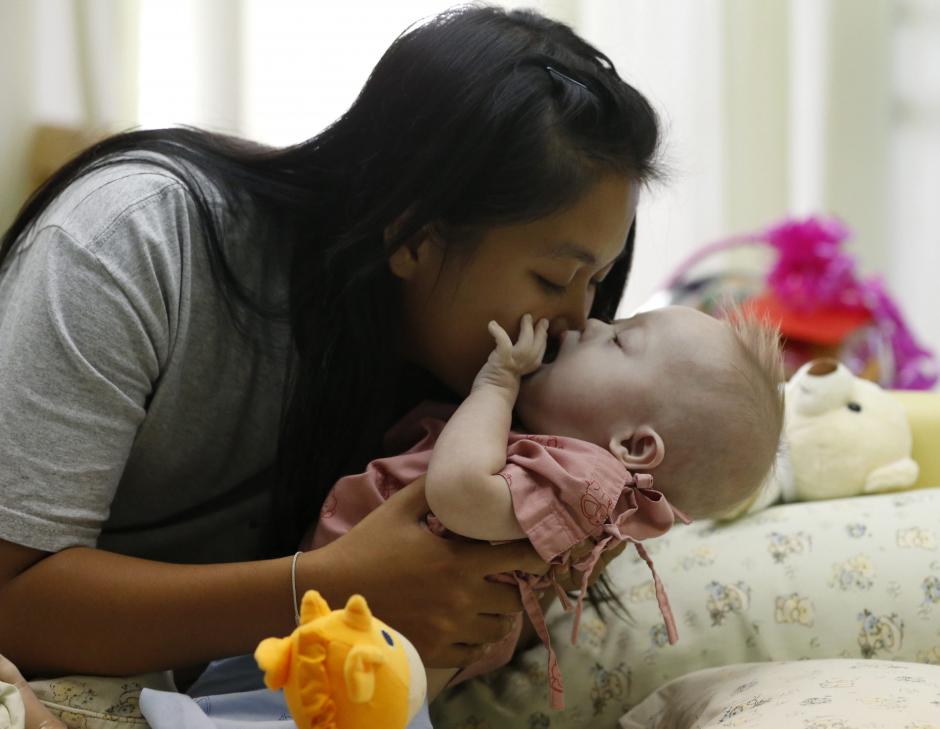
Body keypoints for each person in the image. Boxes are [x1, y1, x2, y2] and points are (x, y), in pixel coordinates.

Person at [0, 2, 659, 701]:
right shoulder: (137, 242)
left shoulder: (473, 405)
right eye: (555, 279)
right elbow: (8, 593)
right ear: (412, 236)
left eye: (598, 281)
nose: (577, 322)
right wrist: (324, 587)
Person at [309, 307, 785, 708]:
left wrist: (497, 383)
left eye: (619, 341)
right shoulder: (574, 487)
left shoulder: (581, 481)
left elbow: (460, 494)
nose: (595, 324)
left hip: (355, 679)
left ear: (634, 447)